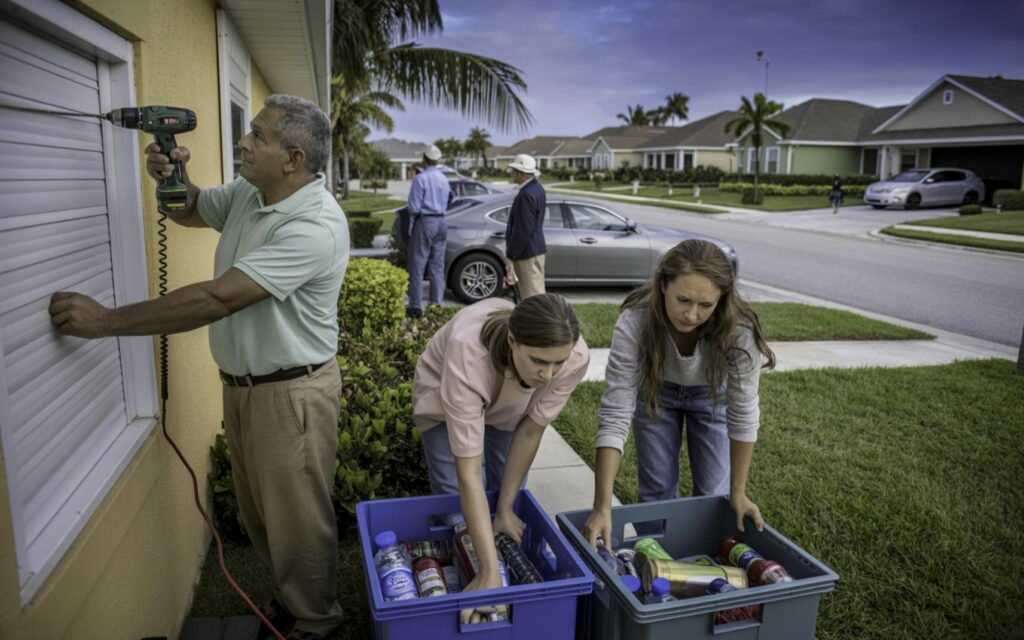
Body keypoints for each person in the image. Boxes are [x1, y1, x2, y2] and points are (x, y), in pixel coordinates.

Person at [48, 94, 347, 640]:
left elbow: (217, 298)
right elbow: (192, 209)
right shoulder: (252, 194)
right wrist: (171, 176)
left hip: (292, 395)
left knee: (299, 523)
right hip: (245, 388)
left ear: (295, 159)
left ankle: (317, 623)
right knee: (261, 515)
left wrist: (104, 321)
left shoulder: (314, 227)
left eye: (258, 135)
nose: (243, 142)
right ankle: (292, 602)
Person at [582, 239, 776, 547]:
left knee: (715, 493)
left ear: (722, 300)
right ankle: (654, 559)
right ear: (662, 285)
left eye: (705, 305)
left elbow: (743, 413)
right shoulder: (635, 320)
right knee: (656, 490)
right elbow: (615, 412)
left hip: (712, 396)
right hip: (656, 391)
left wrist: (738, 492)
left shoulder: (739, 329)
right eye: (683, 300)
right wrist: (602, 506)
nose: (691, 315)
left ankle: (703, 558)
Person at [412, 293, 589, 623]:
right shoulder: (468, 355)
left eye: (557, 363)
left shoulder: (575, 356)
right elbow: (467, 474)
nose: (549, 375)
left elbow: (530, 431)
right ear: (512, 340)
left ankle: (495, 586)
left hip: (510, 406)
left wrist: (506, 509)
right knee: (456, 509)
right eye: (538, 361)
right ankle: (475, 586)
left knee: (506, 509)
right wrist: (488, 571)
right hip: (443, 399)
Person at [406, 145, 452, 318]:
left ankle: (415, 306)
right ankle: (436, 304)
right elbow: (450, 199)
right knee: (437, 266)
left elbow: (414, 207)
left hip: (425, 221)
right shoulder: (443, 178)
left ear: (424, 159)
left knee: (417, 265)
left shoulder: (421, 178)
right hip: (441, 221)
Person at [504, 154, 547, 300]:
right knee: (533, 294)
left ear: (521, 173)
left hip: (527, 254)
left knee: (531, 298)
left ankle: (538, 323)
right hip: (533, 250)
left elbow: (524, 230)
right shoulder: (537, 188)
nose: (512, 174)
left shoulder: (526, 195)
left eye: (514, 171)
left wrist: (512, 254)